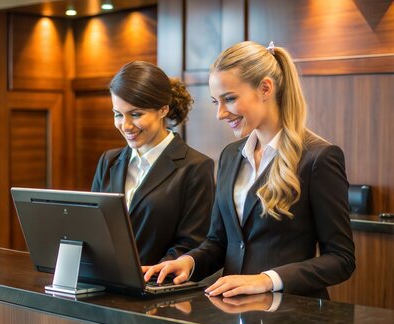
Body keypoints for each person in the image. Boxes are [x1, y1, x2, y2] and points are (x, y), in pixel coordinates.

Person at [144, 41, 355, 299]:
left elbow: (341, 259)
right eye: (215, 102)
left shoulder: (319, 158)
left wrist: (267, 280)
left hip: (293, 317)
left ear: (265, 88)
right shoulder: (230, 155)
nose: (221, 113)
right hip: (234, 317)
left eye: (230, 99)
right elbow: (219, 242)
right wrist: (190, 262)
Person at [91, 61, 215, 265]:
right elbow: (94, 225)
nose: (126, 125)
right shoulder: (109, 161)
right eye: (118, 114)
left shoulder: (196, 167)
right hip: (104, 284)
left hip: (158, 288)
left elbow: (192, 243)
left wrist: (153, 275)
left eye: (136, 114)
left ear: (163, 110)